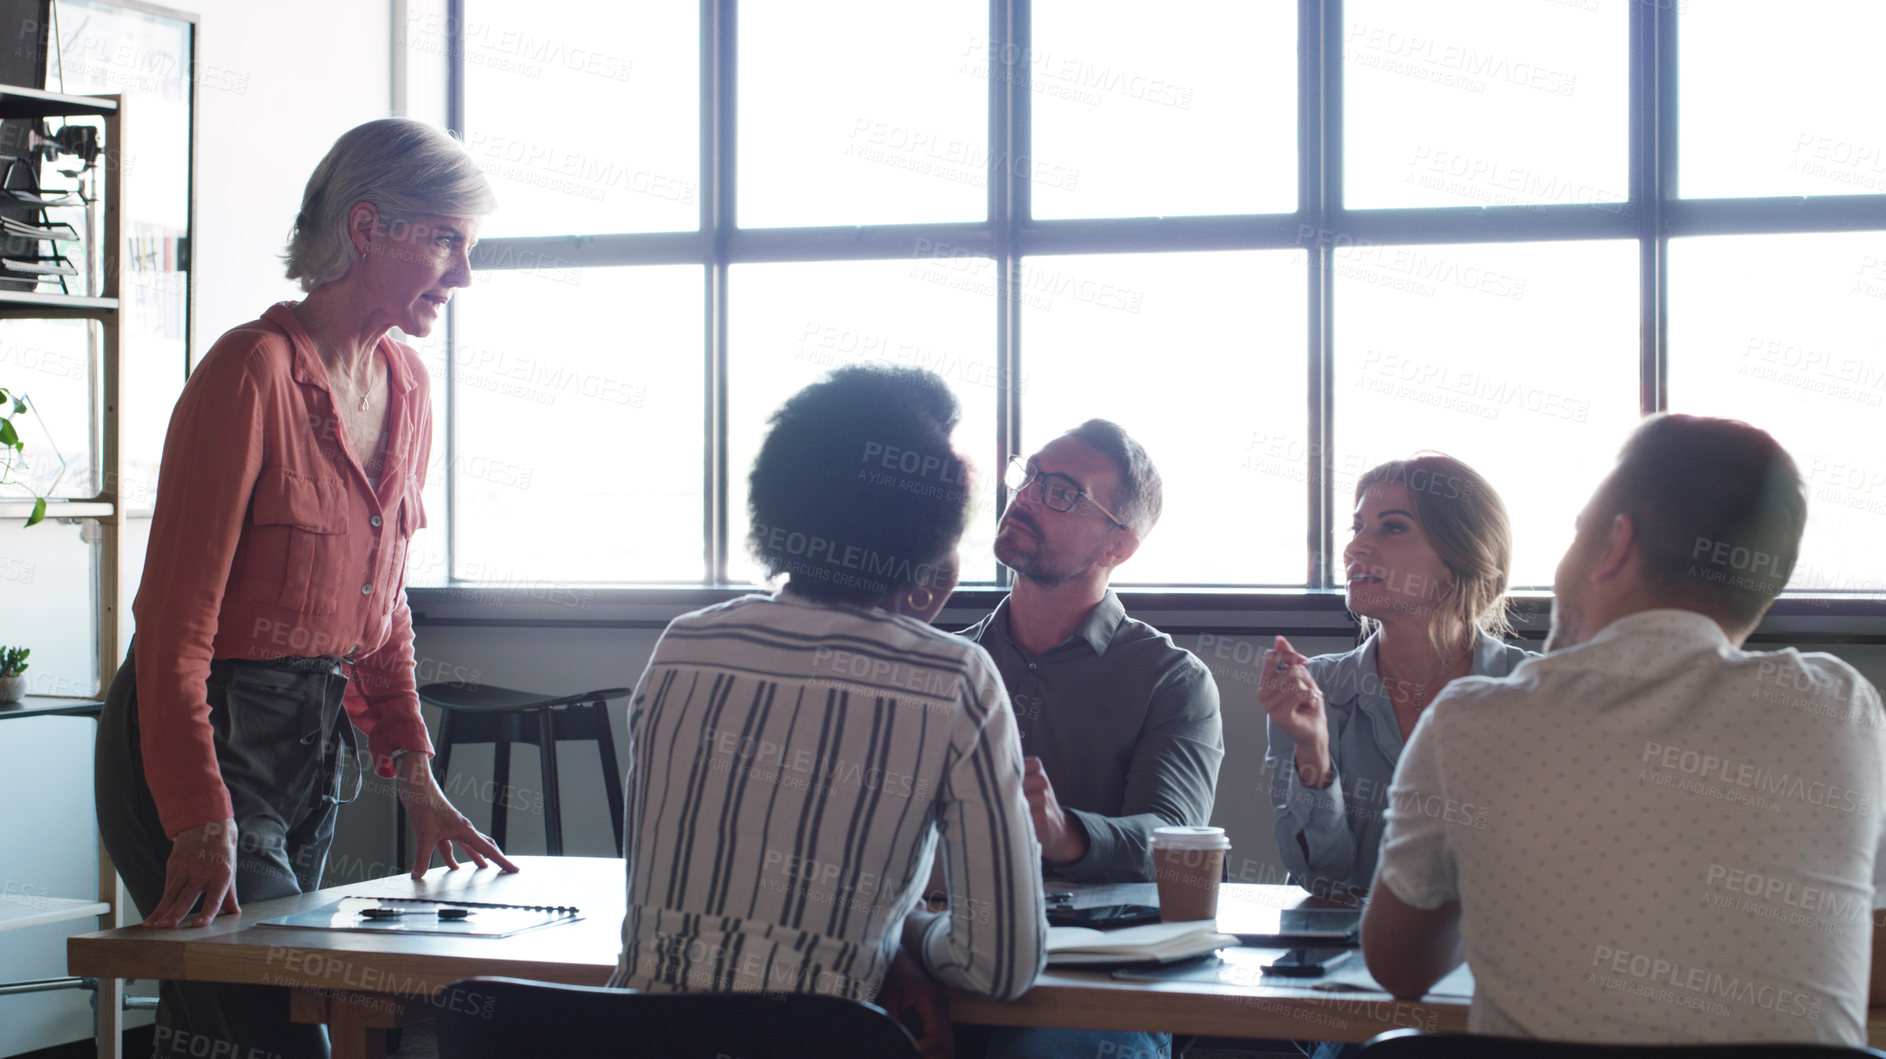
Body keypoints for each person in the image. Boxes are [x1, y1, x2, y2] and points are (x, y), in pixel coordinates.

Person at [94, 119, 517, 1059]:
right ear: (368, 228)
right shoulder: (248, 372)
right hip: (198, 729)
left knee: (240, 1026)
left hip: (305, 737)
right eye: (447, 241)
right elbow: (172, 630)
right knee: (274, 1030)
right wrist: (202, 813)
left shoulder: (406, 382)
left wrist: (414, 771)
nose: (463, 275)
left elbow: (382, 607)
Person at [1363, 414, 1886, 1045]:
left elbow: (1400, 969)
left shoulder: (1469, 719)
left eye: (1578, 532)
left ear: (1614, 546)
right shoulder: (1842, 708)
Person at [610, 365, 1047, 1057]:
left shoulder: (683, 647)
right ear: (933, 527)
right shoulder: (954, 676)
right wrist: (903, 934)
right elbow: (1003, 964)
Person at [958, 420, 1222, 1059]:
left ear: (1118, 547)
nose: (1025, 497)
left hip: (1099, 971)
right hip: (948, 946)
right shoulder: (950, 663)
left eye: (1064, 492)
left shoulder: (1172, 680)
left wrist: (1064, 833)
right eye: (1031, 477)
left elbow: (1173, 840)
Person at [1263, 454, 1533, 899]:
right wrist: (1313, 752)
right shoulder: (1316, 690)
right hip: (1347, 955)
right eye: (1357, 528)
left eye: (1391, 527)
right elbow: (1322, 879)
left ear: (1457, 559)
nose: (1354, 549)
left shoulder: (1535, 691)